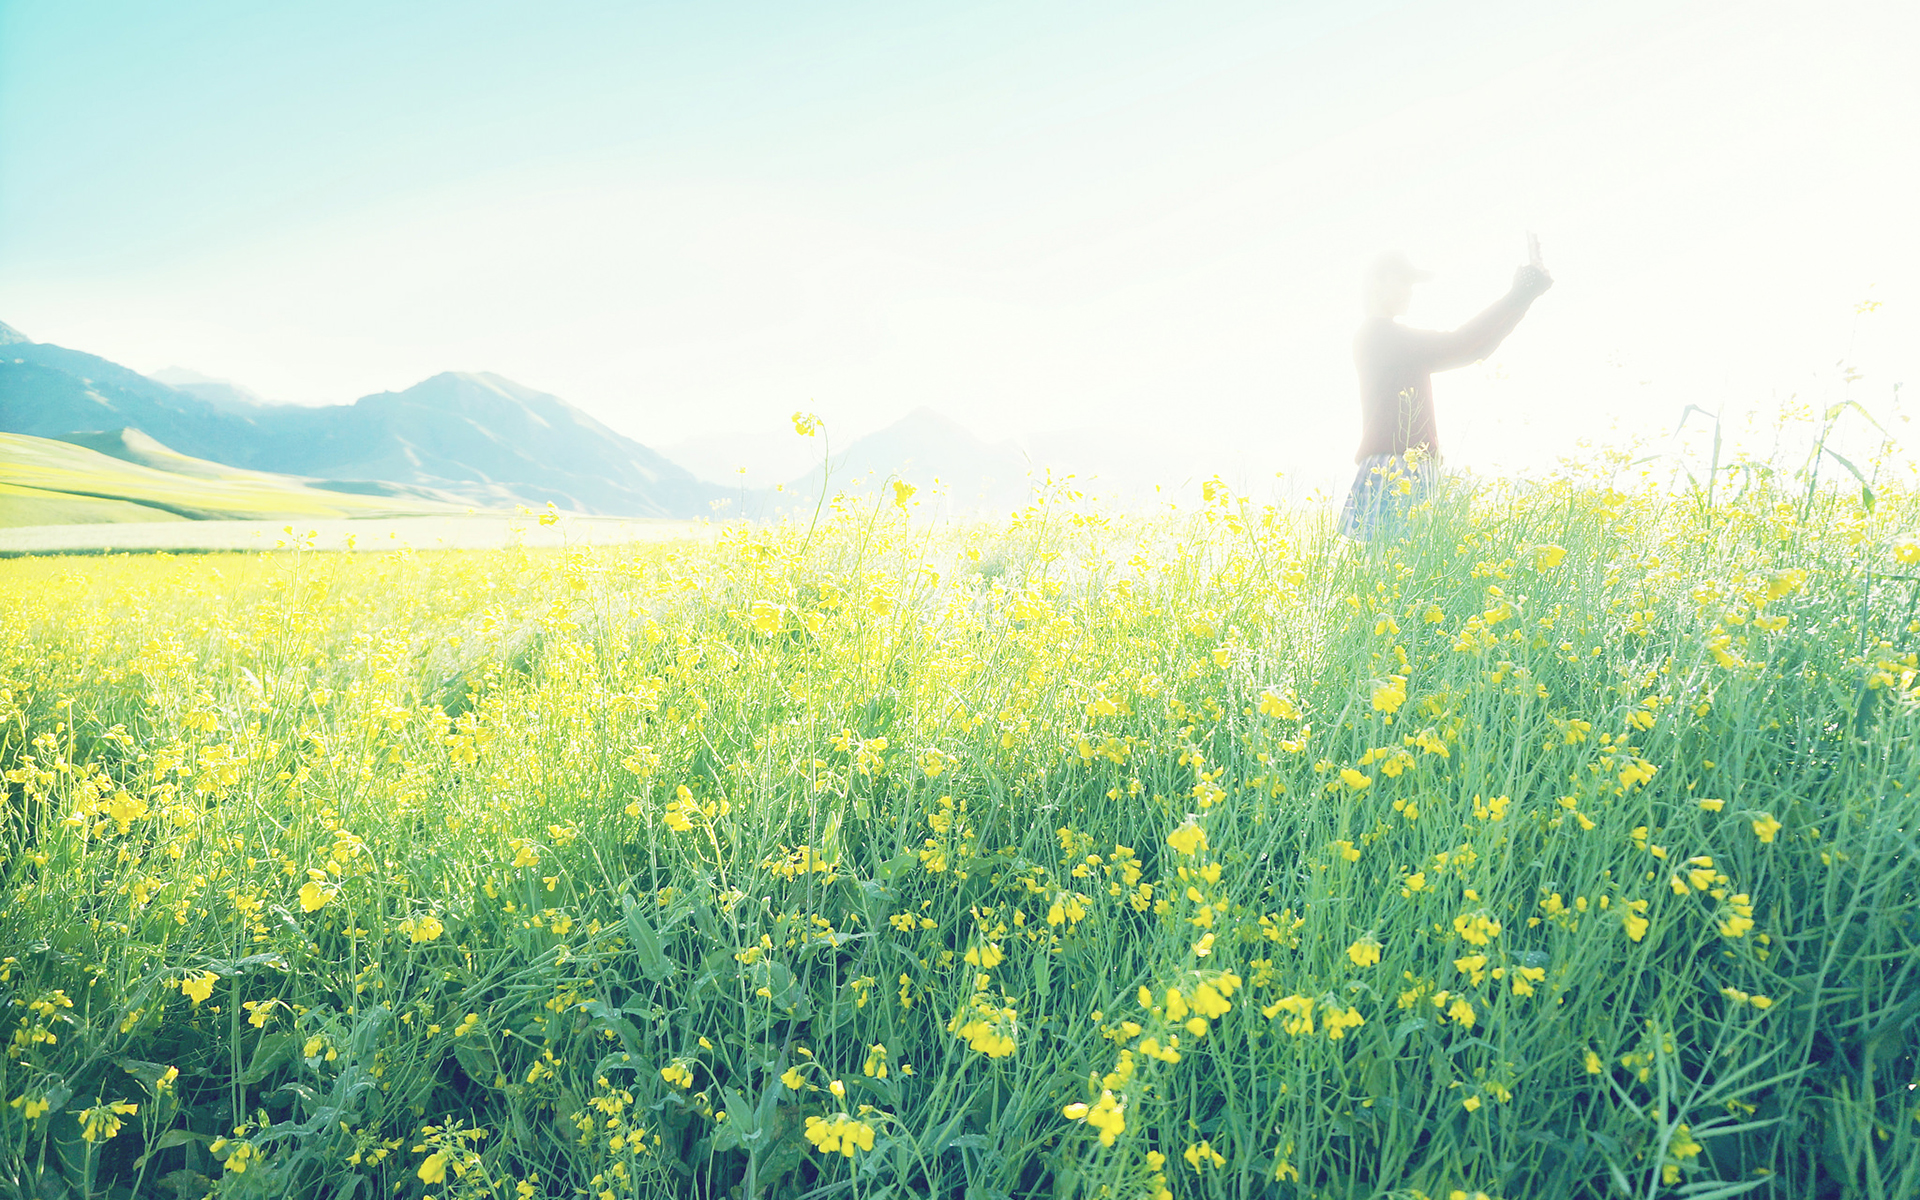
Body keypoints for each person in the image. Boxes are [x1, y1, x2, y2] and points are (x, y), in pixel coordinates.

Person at [1337, 250, 1553, 540]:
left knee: (1401, 574)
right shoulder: (1380, 335)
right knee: (1396, 573)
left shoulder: (1388, 339)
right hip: (1396, 467)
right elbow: (1462, 344)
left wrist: (1524, 298)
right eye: (1402, 282)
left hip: (1408, 466)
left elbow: (1473, 349)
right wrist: (1519, 293)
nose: (1409, 291)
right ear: (1376, 283)